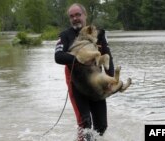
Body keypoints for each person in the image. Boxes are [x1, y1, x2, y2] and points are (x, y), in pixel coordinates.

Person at [54, 3, 114, 141]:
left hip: (96, 81)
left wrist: (110, 78)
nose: (75, 18)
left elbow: (107, 55)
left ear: (85, 15)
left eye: (78, 15)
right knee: (85, 122)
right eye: (72, 16)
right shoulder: (65, 35)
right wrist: (80, 58)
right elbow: (58, 57)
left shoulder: (99, 33)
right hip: (76, 82)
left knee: (102, 126)